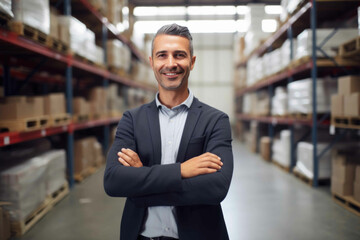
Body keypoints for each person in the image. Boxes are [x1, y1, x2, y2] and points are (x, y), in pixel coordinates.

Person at [104, 23, 233, 240]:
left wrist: (141, 189)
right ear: (152, 62)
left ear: (192, 62)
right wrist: (181, 170)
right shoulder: (132, 120)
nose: (171, 64)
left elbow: (216, 188)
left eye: (179, 55)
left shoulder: (215, 120)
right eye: (162, 55)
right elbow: (114, 181)